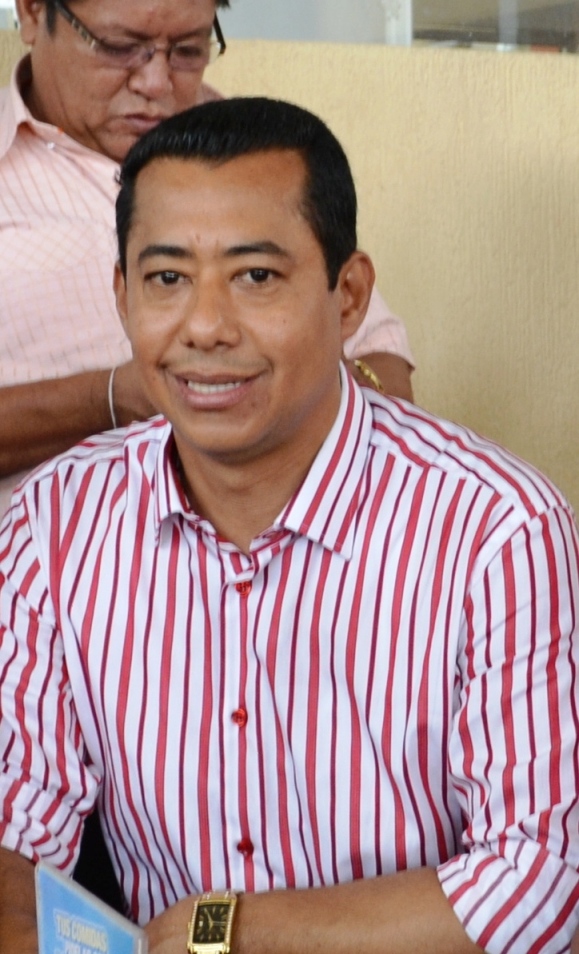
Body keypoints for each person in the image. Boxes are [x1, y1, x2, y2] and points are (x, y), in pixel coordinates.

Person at [1, 96, 578, 954]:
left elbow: (540, 884)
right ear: (121, 295)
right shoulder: (54, 524)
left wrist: (223, 931)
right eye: (166, 279)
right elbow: (15, 839)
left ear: (349, 297)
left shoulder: (499, 531)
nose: (205, 327)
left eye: (256, 277)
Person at [0, 0, 414, 518]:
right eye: (120, 48)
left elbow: (386, 377)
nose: (156, 83)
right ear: (32, 13)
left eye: (187, 50)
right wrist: (110, 398)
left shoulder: (262, 160)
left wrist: (260, 390)